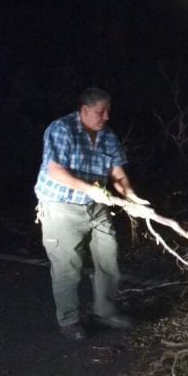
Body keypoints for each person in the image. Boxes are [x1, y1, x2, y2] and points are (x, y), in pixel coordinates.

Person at [34, 87, 150, 341]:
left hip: (95, 205)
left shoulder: (107, 135)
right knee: (68, 266)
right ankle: (69, 320)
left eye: (108, 111)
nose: (106, 117)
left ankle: (105, 311)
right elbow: (55, 170)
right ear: (84, 110)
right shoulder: (62, 129)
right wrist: (91, 190)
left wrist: (131, 197)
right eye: (101, 111)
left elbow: (117, 173)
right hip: (61, 206)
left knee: (108, 256)